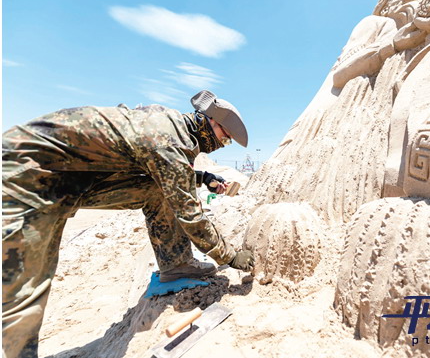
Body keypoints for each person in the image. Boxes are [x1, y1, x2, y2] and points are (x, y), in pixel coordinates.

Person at [2, 90, 255, 357]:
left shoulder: (171, 126)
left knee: (154, 190)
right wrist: (230, 256)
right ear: (210, 122)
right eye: (224, 139)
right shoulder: (170, 141)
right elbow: (189, 214)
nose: (220, 145)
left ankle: (176, 265)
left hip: (74, 176)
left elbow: (161, 171)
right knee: (29, 285)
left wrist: (203, 177)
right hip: (32, 172)